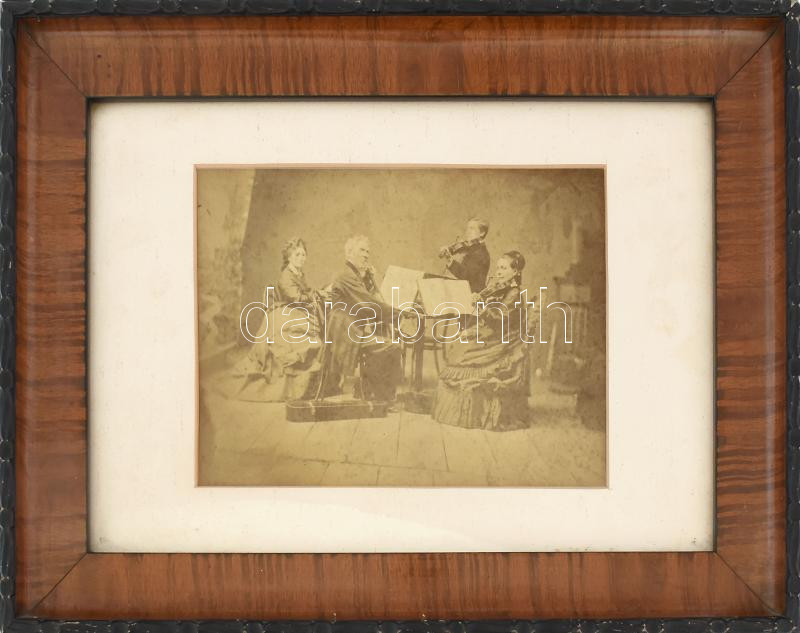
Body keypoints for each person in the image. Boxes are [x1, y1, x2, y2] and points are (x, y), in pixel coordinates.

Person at [432, 250, 529, 431]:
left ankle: (471, 413)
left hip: (503, 340)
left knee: (463, 354)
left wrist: (481, 306)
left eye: (504, 268)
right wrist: (480, 304)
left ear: (515, 272)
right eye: (498, 267)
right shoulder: (501, 289)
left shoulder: (514, 293)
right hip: (492, 334)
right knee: (460, 346)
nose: (498, 271)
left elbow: (498, 318)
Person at [231, 237, 324, 401]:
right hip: (286, 313)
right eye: (297, 255)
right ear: (289, 257)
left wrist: (317, 293)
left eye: (303, 254)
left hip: (295, 311)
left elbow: (306, 291)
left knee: (316, 325)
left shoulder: (299, 273)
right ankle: (290, 382)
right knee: (301, 338)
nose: (301, 258)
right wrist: (315, 296)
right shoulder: (286, 275)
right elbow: (296, 297)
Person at [323, 235, 403, 403]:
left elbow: (367, 301)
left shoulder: (354, 275)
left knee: (384, 342)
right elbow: (368, 303)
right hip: (345, 334)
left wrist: (368, 279)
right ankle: (382, 398)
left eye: (368, 251)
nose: (366, 255)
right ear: (349, 253)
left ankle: (368, 391)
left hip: (352, 330)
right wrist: (400, 314)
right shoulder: (346, 275)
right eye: (362, 250)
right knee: (391, 347)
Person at [438, 217, 491, 293]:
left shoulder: (481, 253)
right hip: (460, 289)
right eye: (467, 228)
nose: (467, 232)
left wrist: (450, 260)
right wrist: (447, 249)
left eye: (472, 228)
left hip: (470, 294)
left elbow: (467, 276)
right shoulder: (468, 248)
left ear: (482, 233)